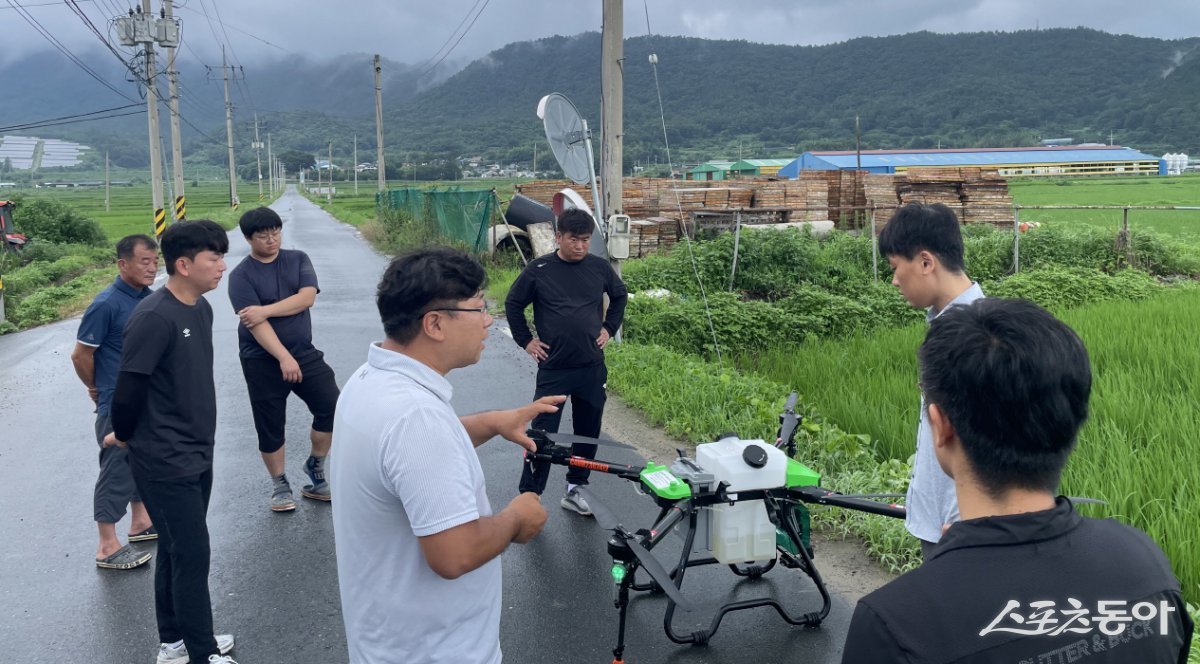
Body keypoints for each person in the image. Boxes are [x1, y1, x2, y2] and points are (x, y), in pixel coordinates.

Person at [841, 298, 1193, 664]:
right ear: (1071, 417)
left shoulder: (896, 625)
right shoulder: (1145, 565)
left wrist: (953, 565)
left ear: (941, 425)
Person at [329, 247, 560, 664]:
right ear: (435, 323)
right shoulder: (416, 417)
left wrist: (490, 422)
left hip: (387, 642)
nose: (488, 321)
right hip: (436, 651)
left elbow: (405, 461)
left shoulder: (370, 379)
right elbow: (455, 554)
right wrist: (515, 518)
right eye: (479, 307)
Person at [103, 220, 237, 664]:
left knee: (177, 550)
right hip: (165, 457)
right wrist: (124, 434)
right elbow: (128, 388)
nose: (222, 267)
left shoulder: (200, 308)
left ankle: (175, 642)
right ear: (183, 264)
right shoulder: (154, 317)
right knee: (193, 554)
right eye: (214, 258)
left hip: (198, 449)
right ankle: (202, 653)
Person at [505, 207, 627, 516]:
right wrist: (526, 341)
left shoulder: (599, 268)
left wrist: (609, 328)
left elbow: (620, 295)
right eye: (574, 239)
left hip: (591, 367)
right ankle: (530, 495)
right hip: (555, 368)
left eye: (585, 240)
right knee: (542, 434)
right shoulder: (539, 269)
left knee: (587, 431)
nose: (580, 246)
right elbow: (513, 303)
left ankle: (576, 487)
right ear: (559, 237)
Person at [878, 202, 983, 557]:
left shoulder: (976, 337)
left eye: (895, 267)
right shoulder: (947, 325)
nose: (894, 280)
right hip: (942, 521)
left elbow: (984, 445)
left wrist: (972, 522)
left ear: (925, 263)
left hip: (958, 529)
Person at [227, 207, 339, 511]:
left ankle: (315, 466)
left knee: (333, 406)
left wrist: (265, 309)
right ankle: (280, 484)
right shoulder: (240, 276)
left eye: (275, 232)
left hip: (304, 352)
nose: (271, 239)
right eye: (263, 235)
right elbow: (255, 324)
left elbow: (306, 298)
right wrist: (283, 357)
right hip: (261, 359)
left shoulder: (298, 259)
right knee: (270, 424)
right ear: (248, 238)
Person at [71, 234, 159, 570]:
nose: (151, 268)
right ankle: (107, 544)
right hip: (117, 402)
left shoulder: (148, 297)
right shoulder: (106, 304)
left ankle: (140, 522)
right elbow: (80, 355)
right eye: (144, 261)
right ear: (123, 264)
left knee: (139, 461)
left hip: (144, 399)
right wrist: (95, 387)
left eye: (155, 261)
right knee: (117, 467)